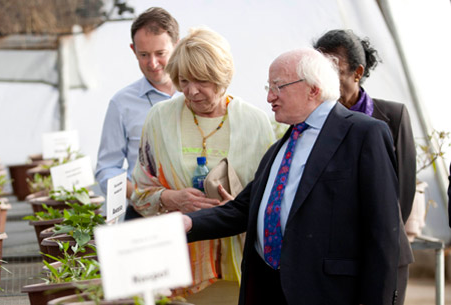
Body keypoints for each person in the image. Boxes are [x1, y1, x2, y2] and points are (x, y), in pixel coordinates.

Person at [183, 48, 401, 305]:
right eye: (268, 86)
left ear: (313, 89)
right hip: (268, 288)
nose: (269, 96)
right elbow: (245, 207)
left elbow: (383, 233)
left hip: (327, 293)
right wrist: (188, 223)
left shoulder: (364, 134)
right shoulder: (282, 146)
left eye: (278, 86)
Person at [131, 27, 275, 302]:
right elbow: (140, 191)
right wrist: (172, 198)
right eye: (183, 81)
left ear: (223, 77)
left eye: (202, 81)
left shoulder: (255, 122)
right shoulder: (160, 118)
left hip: (238, 266)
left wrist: (238, 206)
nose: (191, 91)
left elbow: (272, 198)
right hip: (176, 267)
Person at [314, 29, 415, 305]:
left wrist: (380, 238)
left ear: (357, 73)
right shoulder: (316, 120)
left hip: (385, 254)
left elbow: (403, 192)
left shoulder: (393, 116)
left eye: (333, 71)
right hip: (331, 258)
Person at [95, 7, 180, 220]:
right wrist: (139, 195)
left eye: (160, 54)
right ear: (133, 50)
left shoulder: (197, 95)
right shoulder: (121, 103)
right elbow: (107, 167)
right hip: (143, 214)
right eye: (144, 55)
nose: (152, 63)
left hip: (195, 212)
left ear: (177, 47)